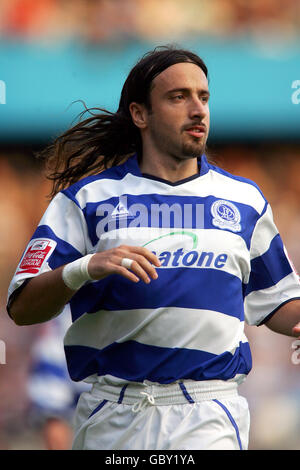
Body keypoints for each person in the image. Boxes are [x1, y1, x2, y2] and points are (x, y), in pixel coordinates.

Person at [7, 46, 300, 450]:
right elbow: (22, 306)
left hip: (208, 412)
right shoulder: (87, 199)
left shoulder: (244, 201)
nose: (198, 109)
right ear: (140, 114)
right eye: (178, 97)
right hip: (113, 415)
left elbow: (279, 301)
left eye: (204, 97)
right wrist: (87, 267)